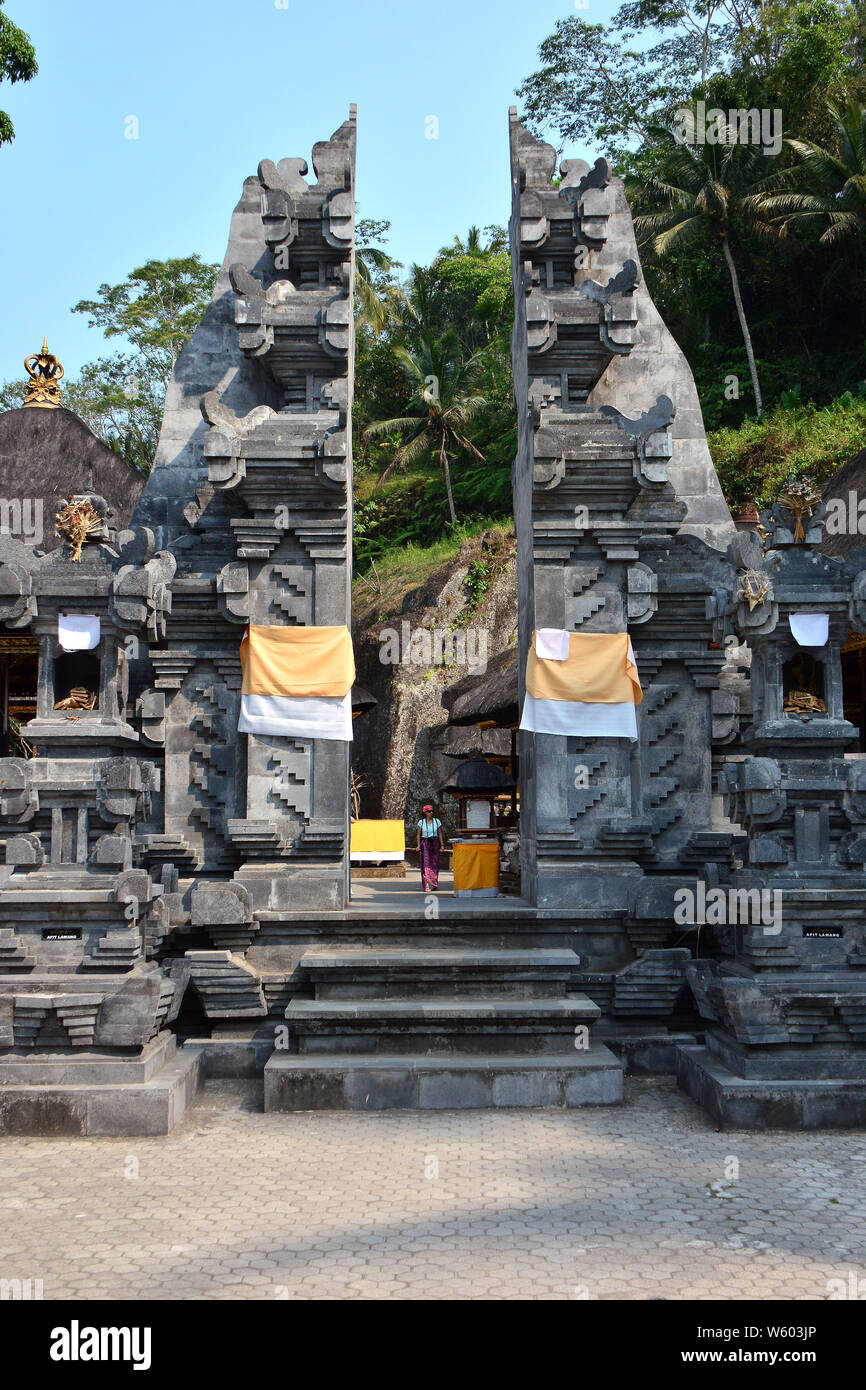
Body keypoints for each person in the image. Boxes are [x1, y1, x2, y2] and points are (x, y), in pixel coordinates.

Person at [416, 804, 445, 891]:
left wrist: (442, 845)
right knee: (426, 864)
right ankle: (426, 885)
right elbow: (418, 835)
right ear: (425, 813)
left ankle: (435, 884)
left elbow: (440, 833)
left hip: (435, 843)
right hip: (425, 843)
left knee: (435, 864)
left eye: (432, 811)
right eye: (429, 811)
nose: (431, 813)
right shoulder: (421, 822)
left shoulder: (437, 821)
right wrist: (418, 845)